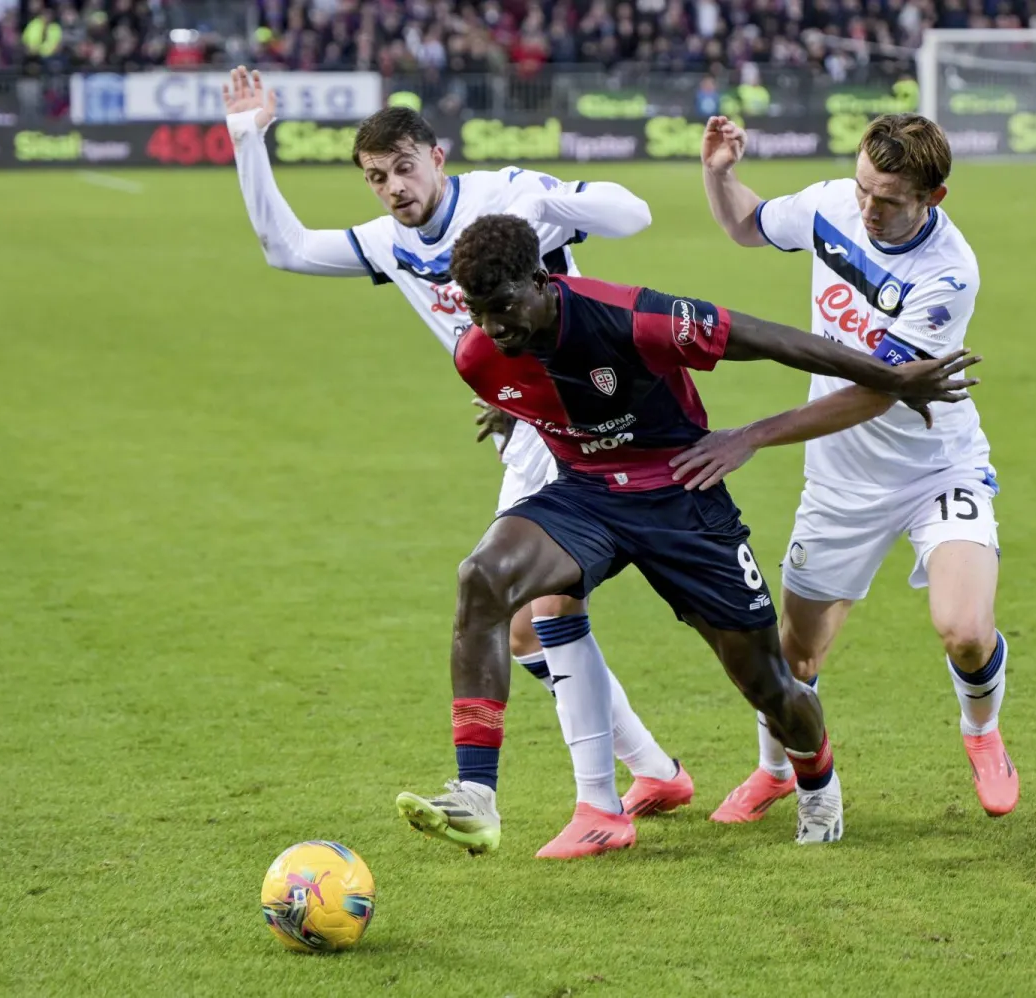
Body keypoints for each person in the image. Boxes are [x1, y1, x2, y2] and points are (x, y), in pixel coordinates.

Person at [394, 212, 980, 855]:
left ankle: (816, 780)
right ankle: (477, 796)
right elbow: (528, 390)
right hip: (587, 496)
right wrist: (507, 415)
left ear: (541, 279)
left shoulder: (632, 315)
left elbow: (766, 338)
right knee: (483, 576)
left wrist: (890, 377)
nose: (493, 327)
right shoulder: (479, 354)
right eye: (478, 312)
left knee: (769, 684)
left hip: (683, 496)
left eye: (503, 307)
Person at [220, 67, 695, 853]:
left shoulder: (505, 196)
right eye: (376, 177)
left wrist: (552, 203)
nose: (394, 188)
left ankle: (595, 807)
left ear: (437, 157)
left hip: (585, 412)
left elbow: (634, 213)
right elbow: (287, 248)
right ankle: (651, 770)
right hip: (529, 428)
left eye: (404, 167)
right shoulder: (389, 243)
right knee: (519, 630)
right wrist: (248, 138)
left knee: (538, 607)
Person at [684, 112, 1018, 823]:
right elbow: (748, 226)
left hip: (937, 468)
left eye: (888, 199)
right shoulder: (834, 202)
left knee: (963, 628)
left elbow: (873, 392)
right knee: (793, 657)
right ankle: (775, 770)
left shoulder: (948, 274)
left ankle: (982, 733)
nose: (867, 207)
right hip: (840, 481)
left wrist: (752, 435)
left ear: (934, 198)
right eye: (865, 187)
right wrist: (720, 175)